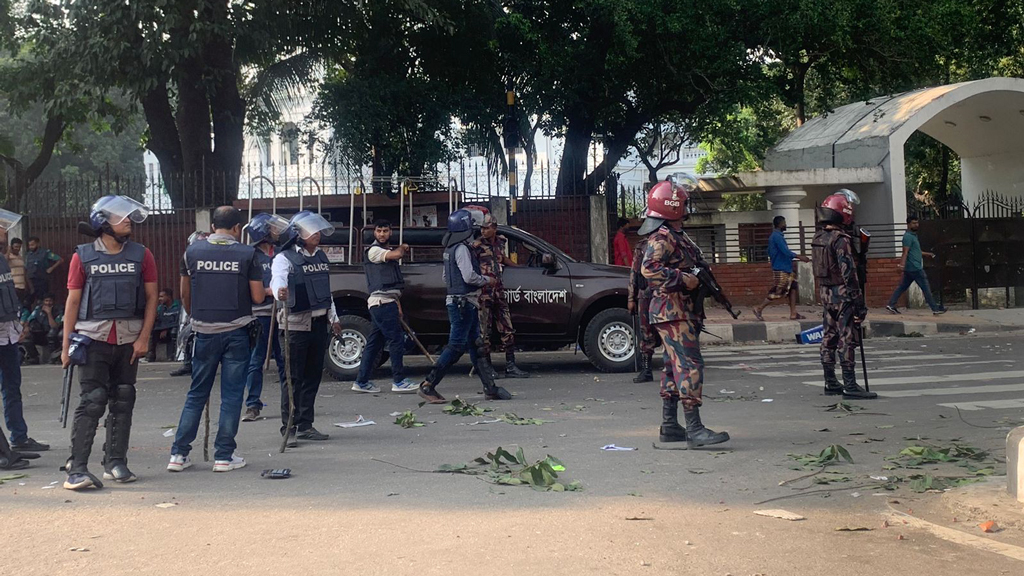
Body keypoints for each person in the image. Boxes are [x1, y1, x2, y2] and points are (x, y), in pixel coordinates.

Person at [62, 196, 158, 490]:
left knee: (124, 397)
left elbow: (152, 298)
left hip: (129, 341)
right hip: (92, 340)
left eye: (128, 216)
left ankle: (115, 461)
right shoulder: (82, 256)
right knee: (92, 401)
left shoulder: (142, 255)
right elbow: (73, 301)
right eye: (120, 217)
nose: (127, 220)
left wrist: (144, 338)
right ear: (103, 224)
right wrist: (66, 347)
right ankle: (77, 469)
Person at [168, 206, 265, 473]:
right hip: (236, 333)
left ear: (212, 227)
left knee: (196, 394)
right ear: (237, 228)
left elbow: (184, 295)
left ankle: (178, 454)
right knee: (232, 396)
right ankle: (224, 456)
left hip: (204, 333)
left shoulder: (192, 253)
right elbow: (257, 297)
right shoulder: (247, 254)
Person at [639, 177, 729, 448]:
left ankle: (670, 426)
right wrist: (682, 279)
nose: (688, 205)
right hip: (673, 312)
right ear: (673, 206)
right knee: (689, 365)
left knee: (672, 367)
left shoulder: (676, 235)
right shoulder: (663, 237)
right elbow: (649, 269)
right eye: (684, 202)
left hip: (677, 312)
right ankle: (695, 429)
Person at [417, 209, 512, 404]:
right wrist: (486, 280)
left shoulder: (450, 249)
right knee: (456, 346)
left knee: (476, 346)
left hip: (460, 300)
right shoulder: (461, 249)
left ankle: (490, 388)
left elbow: (446, 277)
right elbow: (469, 276)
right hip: (463, 303)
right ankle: (428, 384)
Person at [270, 210, 342, 446]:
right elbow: (277, 279)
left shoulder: (321, 257)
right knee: (293, 379)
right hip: (296, 325)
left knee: (312, 377)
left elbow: (326, 291)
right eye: (311, 230)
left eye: (318, 230)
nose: (317, 234)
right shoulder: (284, 258)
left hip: (320, 324)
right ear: (297, 234)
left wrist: (334, 318)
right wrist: (280, 290)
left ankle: (305, 425)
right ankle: (288, 428)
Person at [812, 191, 876, 400]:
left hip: (825, 293)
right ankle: (850, 384)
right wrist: (859, 303)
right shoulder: (840, 240)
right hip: (843, 294)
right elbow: (849, 272)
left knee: (829, 337)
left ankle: (830, 381)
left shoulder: (819, 237)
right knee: (847, 339)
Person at [0, 209, 49, 454]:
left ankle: (19, 436)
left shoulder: (3, 260)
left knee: (12, 386)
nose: (5, 233)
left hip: (7, 334)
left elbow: (9, 296)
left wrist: (18, 323)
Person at [352, 219, 420, 394]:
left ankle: (361, 381)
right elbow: (396, 255)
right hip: (381, 303)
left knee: (374, 344)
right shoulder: (374, 251)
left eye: (385, 231)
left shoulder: (386, 251)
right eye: (379, 231)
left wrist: (398, 306)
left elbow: (393, 288)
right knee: (396, 340)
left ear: (390, 232)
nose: (382, 234)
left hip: (387, 302)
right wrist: (403, 248)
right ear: (374, 233)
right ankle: (398, 380)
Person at [241, 213, 290, 421]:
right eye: (272, 228)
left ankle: (289, 403)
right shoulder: (249, 256)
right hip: (260, 314)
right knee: (256, 360)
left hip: (281, 312)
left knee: (284, 360)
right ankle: (252, 405)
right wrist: (269, 291)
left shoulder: (281, 253)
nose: (276, 231)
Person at [471, 211, 530, 378]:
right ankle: (486, 368)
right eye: (482, 228)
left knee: (507, 328)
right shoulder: (476, 246)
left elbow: (501, 259)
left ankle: (511, 365)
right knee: (485, 332)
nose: (483, 231)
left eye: (486, 228)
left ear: (494, 228)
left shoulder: (500, 242)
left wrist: (519, 268)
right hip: (483, 293)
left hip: (499, 291)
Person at [753, 216, 811, 321]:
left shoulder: (775, 236)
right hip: (781, 268)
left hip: (784, 267)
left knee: (793, 288)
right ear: (779, 224)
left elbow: (771, 252)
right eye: (784, 223)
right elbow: (785, 251)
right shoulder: (777, 237)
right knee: (778, 291)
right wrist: (800, 257)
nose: (785, 225)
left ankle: (793, 313)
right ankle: (759, 308)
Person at [886, 215, 946, 315]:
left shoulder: (913, 236)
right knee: (926, 288)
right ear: (908, 224)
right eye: (914, 223)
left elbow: (916, 251)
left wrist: (927, 254)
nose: (916, 225)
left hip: (911, 268)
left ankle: (891, 304)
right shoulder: (908, 237)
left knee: (902, 287)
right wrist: (901, 265)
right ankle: (935, 309)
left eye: (917, 223)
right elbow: (905, 252)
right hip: (915, 268)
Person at [627, 229, 660, 383]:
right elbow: (634, 273)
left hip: (664, 295)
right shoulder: (642, 246)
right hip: (644, 295)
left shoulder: (667, 244)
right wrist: (631, 298)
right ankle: (646, 370)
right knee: (645, 333)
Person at [23, 293, 63, 364]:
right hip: (39, 333)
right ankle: (34, 358)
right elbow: (28, 321)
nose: (48, 303)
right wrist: (26, 327)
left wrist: (49, 313)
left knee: (52, 333)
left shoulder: (58, 310)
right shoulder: (38, 309)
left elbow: (54, 326)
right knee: (26, 338)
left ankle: (54, 358)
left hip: (51, 335)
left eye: (50, 301)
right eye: (46, 301)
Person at [25, 235, 63, 305]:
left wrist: (51, 268)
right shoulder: (28, 255)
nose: (31, 247)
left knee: (42, 301)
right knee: (28, 302)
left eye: (33, 245)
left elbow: (60, 260)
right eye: (29, 245)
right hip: (31, 283)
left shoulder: (45, 253)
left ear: (38, 244)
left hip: (42, 281)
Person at [147, 288, 180, 362]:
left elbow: (177, 321)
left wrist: (166, 329)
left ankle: (171, 355)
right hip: (162, 330)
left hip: (173, 329)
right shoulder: (160, 308)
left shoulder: (178, 306)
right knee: (153, 333)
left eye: (162, 296)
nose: (159, 299)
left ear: (168, 297)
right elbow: (159, 321)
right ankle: (151, 355)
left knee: (173, 332)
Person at [7, 238, 32, 306]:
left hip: (22, 287)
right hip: (13, 286)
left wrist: (29, 285)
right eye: (15, 247)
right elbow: (4, 261)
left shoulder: (20, 257)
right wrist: (8, 251)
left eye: (19, 247)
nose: (17, 249)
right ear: (11, 246)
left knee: (20, 306)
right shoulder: (8, 256)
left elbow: (24, 272)